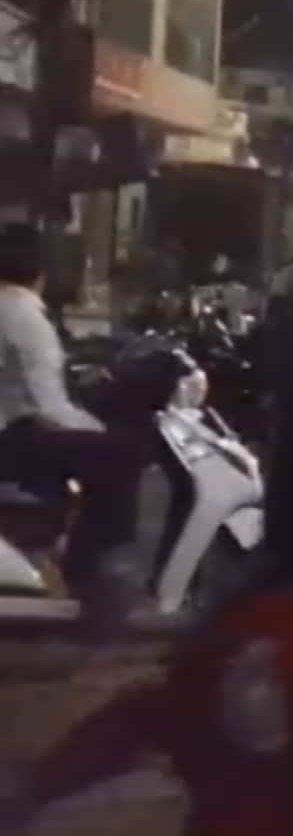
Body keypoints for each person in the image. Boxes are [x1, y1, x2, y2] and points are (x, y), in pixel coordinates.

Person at [0, 223, 148, 617]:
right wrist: (95, 429)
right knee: (120, 452)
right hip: (12, 438)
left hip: (11, 431)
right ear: (41, 273)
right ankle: (92, 566)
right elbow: (47, 406)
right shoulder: (24, 316)